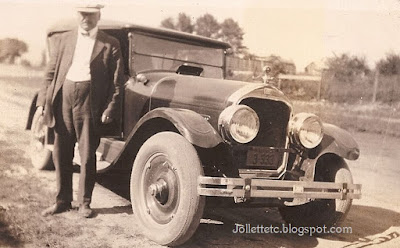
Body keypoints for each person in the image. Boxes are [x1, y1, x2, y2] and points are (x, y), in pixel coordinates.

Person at [37, 3, 124, 218]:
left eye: (91, 15)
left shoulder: (111, 43)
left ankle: (84, 203)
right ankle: (62, 201)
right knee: (61, 153)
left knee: (86, 156)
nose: (86, 19)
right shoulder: (64, 39)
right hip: (62, 101)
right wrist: (42, 102)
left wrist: (110, 108)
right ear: (77, 15)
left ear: (98, 15)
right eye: (82, 14)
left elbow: (117, 83)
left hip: (90, 104)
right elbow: (50, 73)